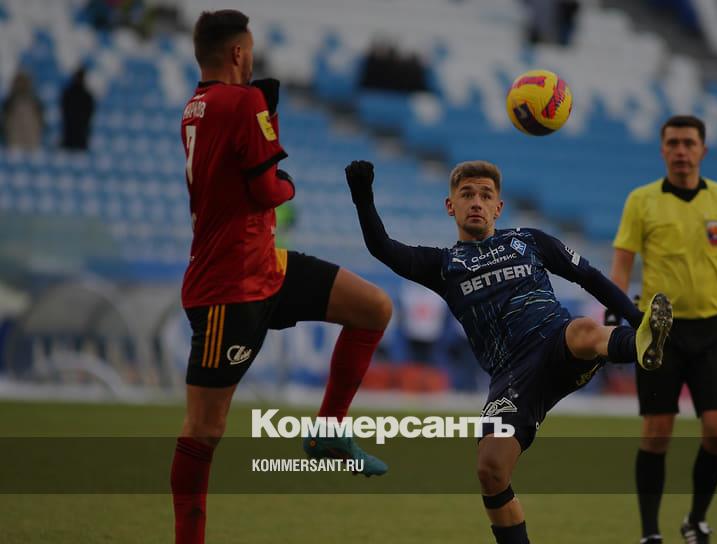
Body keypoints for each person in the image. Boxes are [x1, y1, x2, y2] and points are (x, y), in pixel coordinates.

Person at [345, 158, 673, 544]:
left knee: (583, 330)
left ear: (498, 207)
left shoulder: (528, 241)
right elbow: (383, 248)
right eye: (467, 194)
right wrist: (363, 197)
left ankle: (641, 342)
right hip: (512, 377)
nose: (476, 202)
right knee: (491, 471)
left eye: (486, 195)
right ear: (450, 205)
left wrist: (636, 317)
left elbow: (588, 276)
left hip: (556, 342)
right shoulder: (443, 265)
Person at [172, 10, 393, 544]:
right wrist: (289, 183)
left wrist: (267, 125)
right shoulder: (242, 101)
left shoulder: (195, 107)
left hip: (265, 266)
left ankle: (327, 430)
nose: (252, 59)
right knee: (205, 430)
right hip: (229, 287)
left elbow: (237, 177)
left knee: (373, 308)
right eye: (249, 50)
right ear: (238, 53)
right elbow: (267, 189)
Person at [607, 115, 717, 544]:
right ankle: (650, 533)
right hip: (658, 333)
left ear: (703, 149)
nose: (681, 151)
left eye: (688, 143)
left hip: (713, 330)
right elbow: (622, 264)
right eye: (673, 143)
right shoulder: (641, 201)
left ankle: (696, 519)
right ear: (662, 150)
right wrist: (613, 316)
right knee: (656, 433)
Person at [1, 72, 44, 151]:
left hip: (32, 144)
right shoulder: (9, 102)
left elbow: (41, 122)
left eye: (24, 82)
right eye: (19, 82)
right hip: (14, 144)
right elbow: (4, 123)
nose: (21, 85)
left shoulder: (35, 102)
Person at [60, 68, 95, 151]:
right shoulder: (69, 94)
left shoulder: (87, 96)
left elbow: (89, 115)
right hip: (72, 135)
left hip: (79, 137)